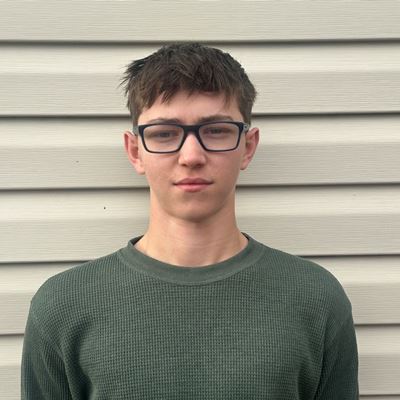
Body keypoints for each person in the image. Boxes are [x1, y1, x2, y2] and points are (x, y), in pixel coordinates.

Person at [21, 43, 359, 399]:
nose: (192, 156)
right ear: (135, 151)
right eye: (164, 133)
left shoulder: (316, 300)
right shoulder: (62, 306)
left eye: (216, 130)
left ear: (247, 147)